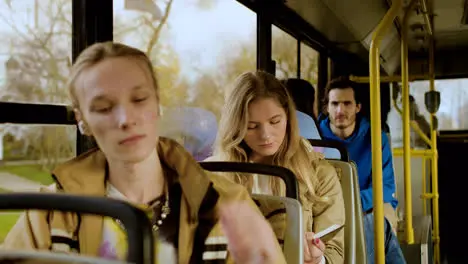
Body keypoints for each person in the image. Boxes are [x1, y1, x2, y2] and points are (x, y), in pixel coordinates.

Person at [1, 42, 286, 264]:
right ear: (82, 120)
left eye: (139, 99)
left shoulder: (227, 205)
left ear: (158, 105)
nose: (126, 118)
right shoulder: (50, 213)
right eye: (103, 107)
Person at [207, 71, 345, 264]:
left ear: (288, 118)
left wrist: (317, 259)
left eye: (275, 122)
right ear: (236, 126)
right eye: (252, 126)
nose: (266, 135)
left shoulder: (319, 175)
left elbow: (336, 253)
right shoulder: (215, 174)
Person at [318, 76, 406, 264]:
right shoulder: (314, 138)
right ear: (327, 108)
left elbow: (386, 187)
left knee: (375, 223)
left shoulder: (375, 138)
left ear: (358, 107)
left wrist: (352, 204)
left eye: (347, 103)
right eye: (334, 104)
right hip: (328, 206)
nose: (340, 110)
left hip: (371, 204)